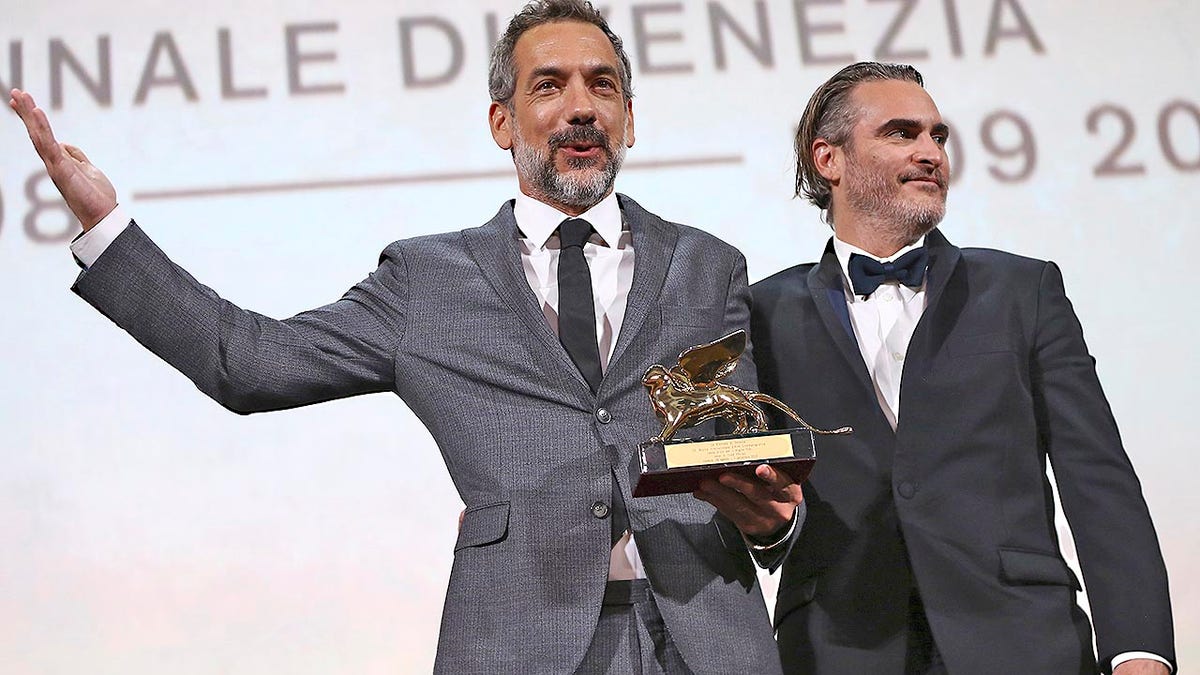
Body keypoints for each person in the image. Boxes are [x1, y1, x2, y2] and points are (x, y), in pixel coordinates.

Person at [10, 1, 803, 672]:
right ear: (503, 121)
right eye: (549, 85)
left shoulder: (708, 264)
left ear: (629, 117)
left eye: (603, 85)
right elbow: (244, 362)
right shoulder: (429, 280)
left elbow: (742, 457)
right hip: (516, 640)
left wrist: (775, 522)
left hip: (704, 639)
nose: (582, 106)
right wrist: (106, 227)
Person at [750, 62, 1175, 675]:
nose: (930, 153)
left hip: (1024, 644)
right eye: (901, 133)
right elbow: (756, 501)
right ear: (828, 160)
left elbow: (1098, 480)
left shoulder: (1023, 289)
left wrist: (1141, 650)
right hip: (839, 649)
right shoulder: (761, 311)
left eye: (938, 136)